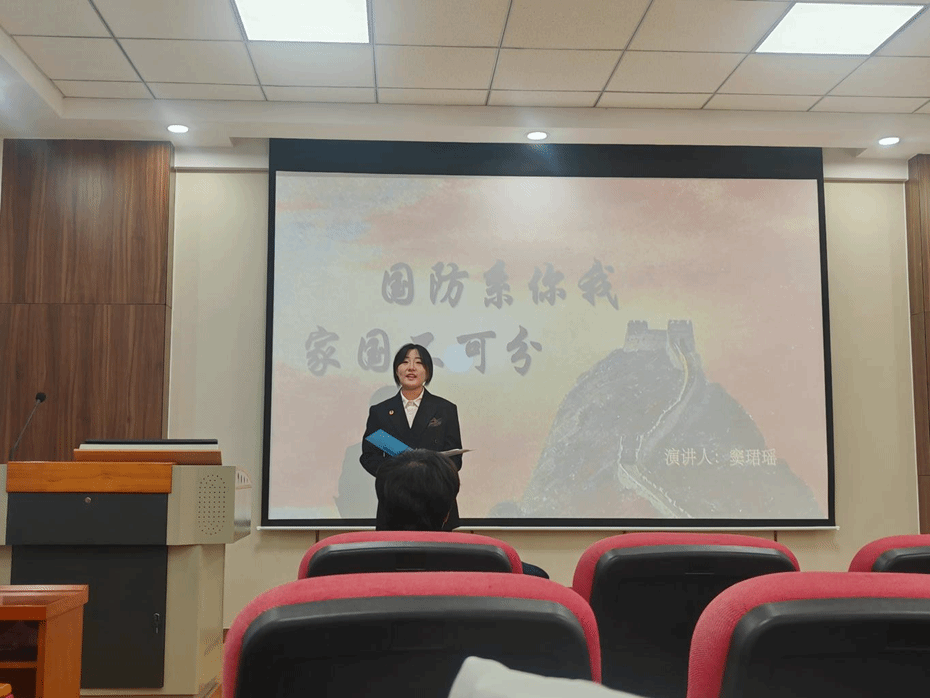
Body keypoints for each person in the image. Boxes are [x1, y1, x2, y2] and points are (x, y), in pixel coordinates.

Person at [375, 449, 549, 578]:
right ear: (447, 514)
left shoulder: (359, 563)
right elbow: (539, 577)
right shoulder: (497, 565)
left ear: (383, 509)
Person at [361, 343, 463, 529]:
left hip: (436, 503)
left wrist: (431, 475)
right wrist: (396, 476)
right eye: (405, 362)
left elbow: (455, 459)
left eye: (419, 362)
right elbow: (369, 456)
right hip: (394, 502)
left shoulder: (445, 409)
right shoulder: (380, 412)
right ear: (396, 370)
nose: (411, 368)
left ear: (428, 372)